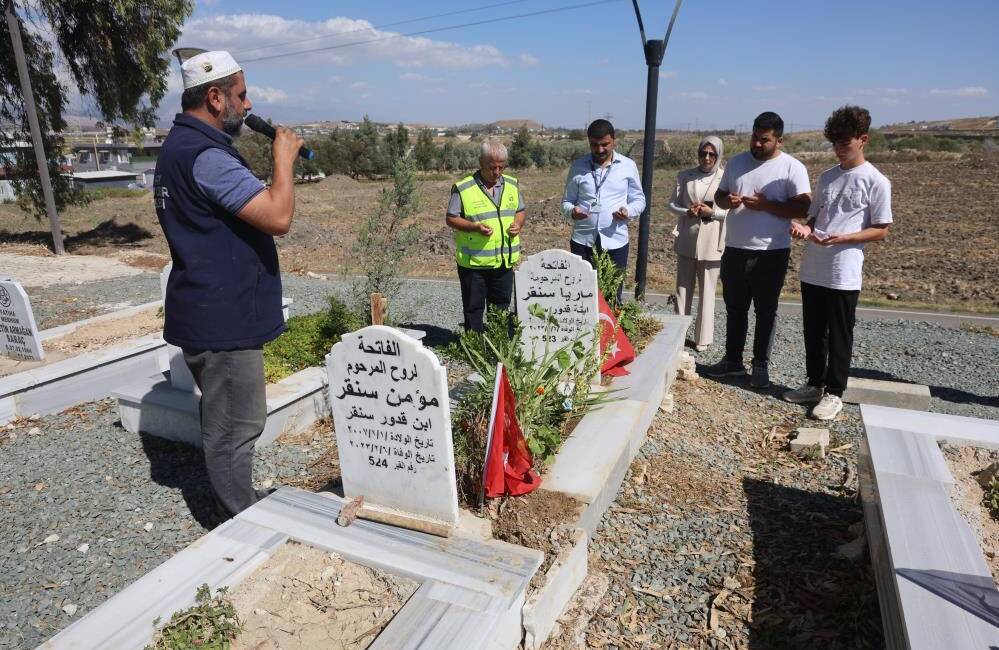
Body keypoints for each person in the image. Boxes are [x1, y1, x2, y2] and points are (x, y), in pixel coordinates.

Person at [154, 50, 305, 520]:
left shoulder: (182, 145)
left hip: (210, 308)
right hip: (222, 317)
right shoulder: (206, 156)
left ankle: (233, 504)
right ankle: (238, 517)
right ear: (215, 97)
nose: (248, 102)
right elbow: (277, 216)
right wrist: (283, 159)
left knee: (227, 418)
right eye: (241, 94)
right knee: (237, 424)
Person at [784, 106, 892, 420]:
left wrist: (842, 238)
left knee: (840, 333)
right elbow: (815, 216)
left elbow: (881, 229)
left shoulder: (876, 181)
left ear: (863, 140)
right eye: (834, 143)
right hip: (814, 265)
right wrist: (804, 228)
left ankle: (834, 393)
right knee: (813, 330)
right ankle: (814, 383)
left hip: (844, 270)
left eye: (845, 143)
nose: (839, 149)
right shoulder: (827, 177)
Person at [704, 112, 811, 389]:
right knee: (735, 308)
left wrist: (765, 205)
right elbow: (719, 196)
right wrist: (728, 200)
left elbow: (803, 208)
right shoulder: (738, 162)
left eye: (765, 139)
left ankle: (760, 365)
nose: (757, 144)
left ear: (779, 140)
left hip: (771, 252)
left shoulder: (792, 168)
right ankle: (732, 361)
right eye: (754, 137)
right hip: (735, 248)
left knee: (765, 311)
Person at [561, 119, 646, 302]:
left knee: (612, 296)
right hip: (583, 242)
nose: (599, 150)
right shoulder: (578, 167)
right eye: (594, 145)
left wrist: (628, 211)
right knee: (581, 296)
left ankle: (610, 331)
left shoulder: (628, 166)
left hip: (615, 241)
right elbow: (567, 202)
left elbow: (639, 199)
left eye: (604, 144)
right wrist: (573, 212)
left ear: (614, 140)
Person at [446, 139, 526, 332]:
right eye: (492, 167)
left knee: (501, 306)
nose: (497, 172)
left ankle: (496, 346)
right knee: (474, 308)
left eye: (501, 167)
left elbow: (520, 210)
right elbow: (451, 218)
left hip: (504, 260)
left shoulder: (512, 184)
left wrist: (518, 224)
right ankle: (475, 346)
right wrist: (474, 227)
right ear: (481, 162)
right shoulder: (464, 188)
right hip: (474, 264)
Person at [667, 136, 729, 352]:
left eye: (712, 154)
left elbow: (733, 212)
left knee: (707, 290)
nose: (707, 158)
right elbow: (672, 204)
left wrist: (714, 213)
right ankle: (677, 334)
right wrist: (687, 211)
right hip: (687, 237)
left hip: (713, 239)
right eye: (703, 153)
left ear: (719, 155)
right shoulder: (685, 176)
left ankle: (702, 338)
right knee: (683, 288)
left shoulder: (726, 178)